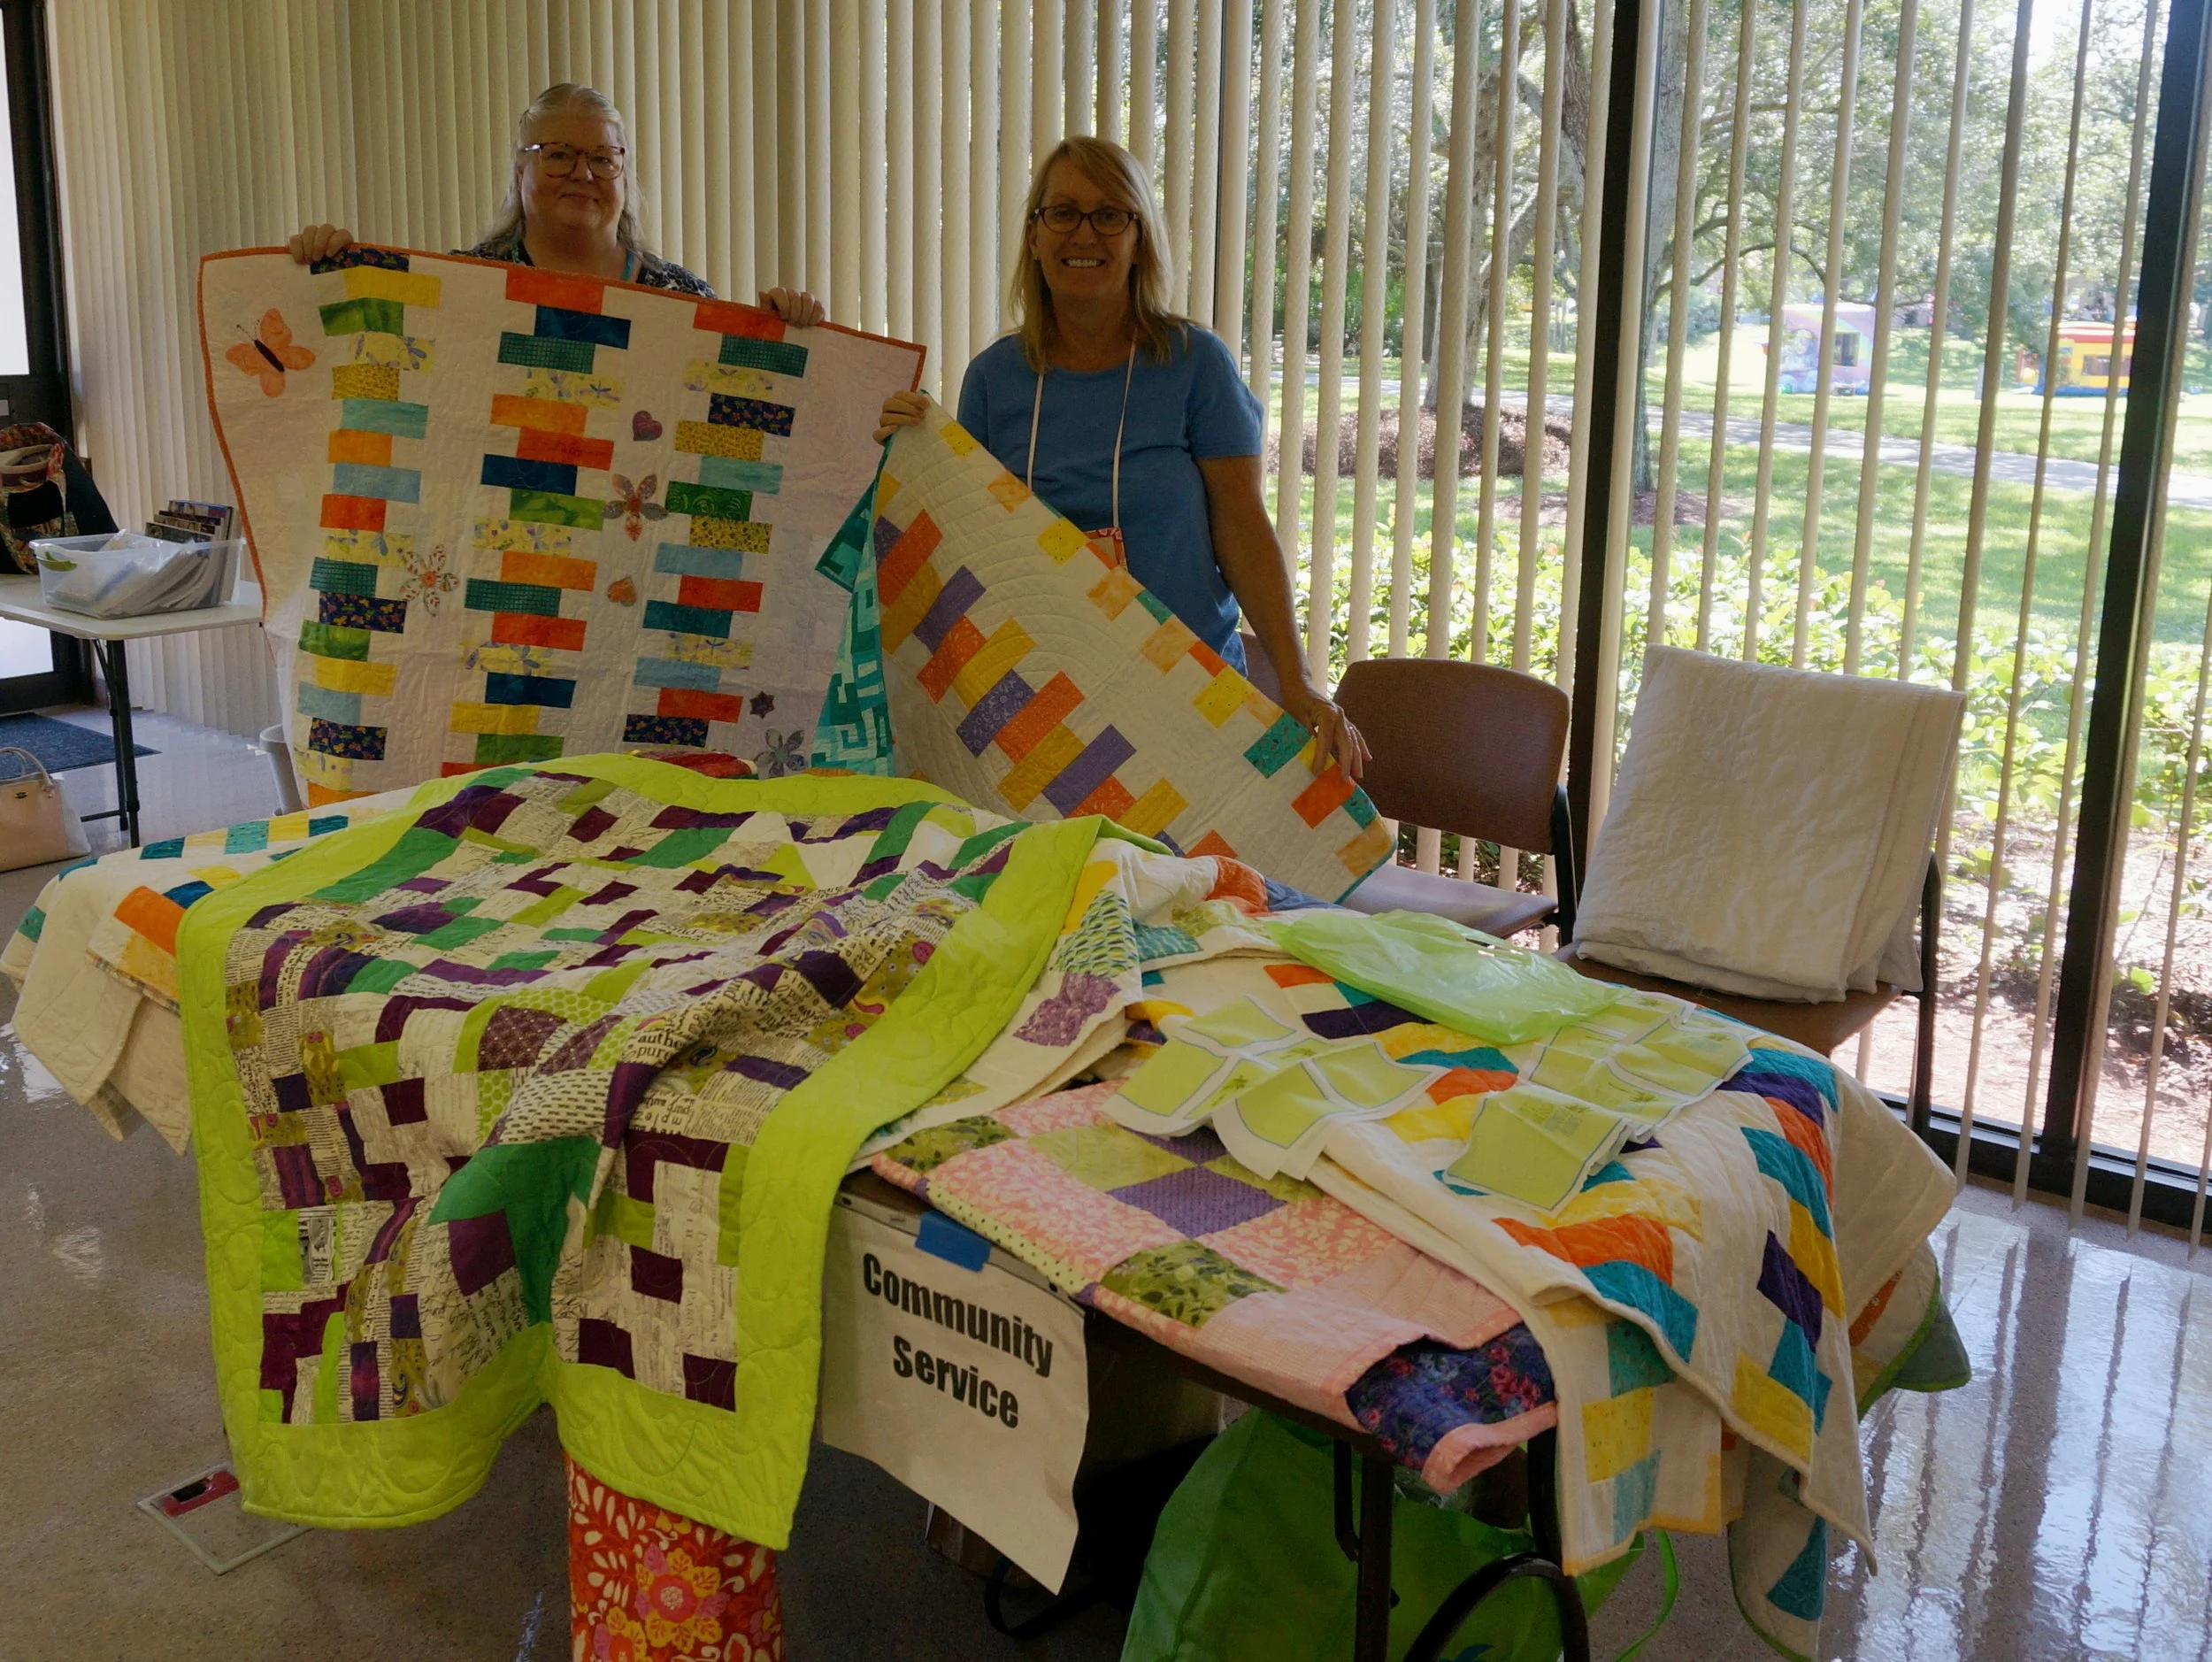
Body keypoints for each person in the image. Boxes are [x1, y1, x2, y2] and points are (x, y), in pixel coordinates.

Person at [876, 135, 1367, 780]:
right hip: (1042, 693)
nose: (1086, 234)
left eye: (1111, 215)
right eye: (1063, 212)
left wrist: (1298, 684)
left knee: (1197, 880)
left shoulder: (1196, 365)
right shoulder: (995, 377)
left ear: (1140, 239)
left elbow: (1243, 528)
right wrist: (909, 450)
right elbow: (969, 543)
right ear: (1033, 236)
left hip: (1186, 696)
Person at [288, 81, 822, 326]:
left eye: (603, 157)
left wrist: (788, 337)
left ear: (624, 173)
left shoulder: (683, 300)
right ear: (520, 169)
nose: (583, 174)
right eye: (559, 155)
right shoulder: (465, 285)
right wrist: (323, 272)